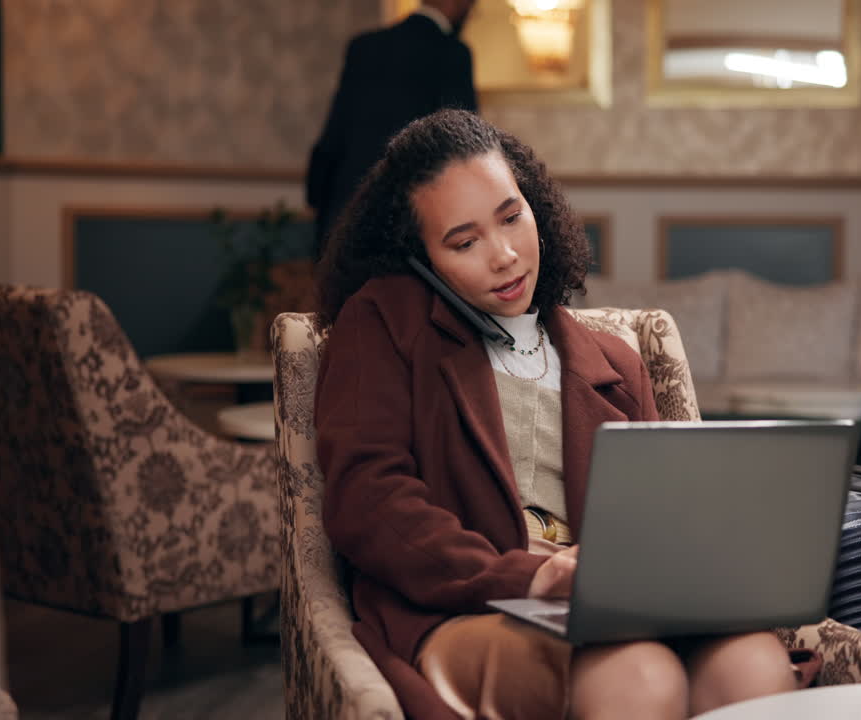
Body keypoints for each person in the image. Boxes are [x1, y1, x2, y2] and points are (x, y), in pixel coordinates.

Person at [313, 109, 803, 720]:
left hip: (618, 606)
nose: (504, 255)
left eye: (512, 217)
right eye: (464, 242)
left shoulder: (618, 362)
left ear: (535, 206)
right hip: (465, 608)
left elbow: (667, 517)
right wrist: (531, 579)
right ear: (419, 258)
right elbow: (368, 498)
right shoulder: (383, 322)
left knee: (752, 663)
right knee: (637, 674)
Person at [305, 0, 478, 258]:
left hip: (344, 220)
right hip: (411, 227)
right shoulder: (453, 54)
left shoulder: (364, 47)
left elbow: (334, 137)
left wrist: (320, 207)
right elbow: (463, 145)